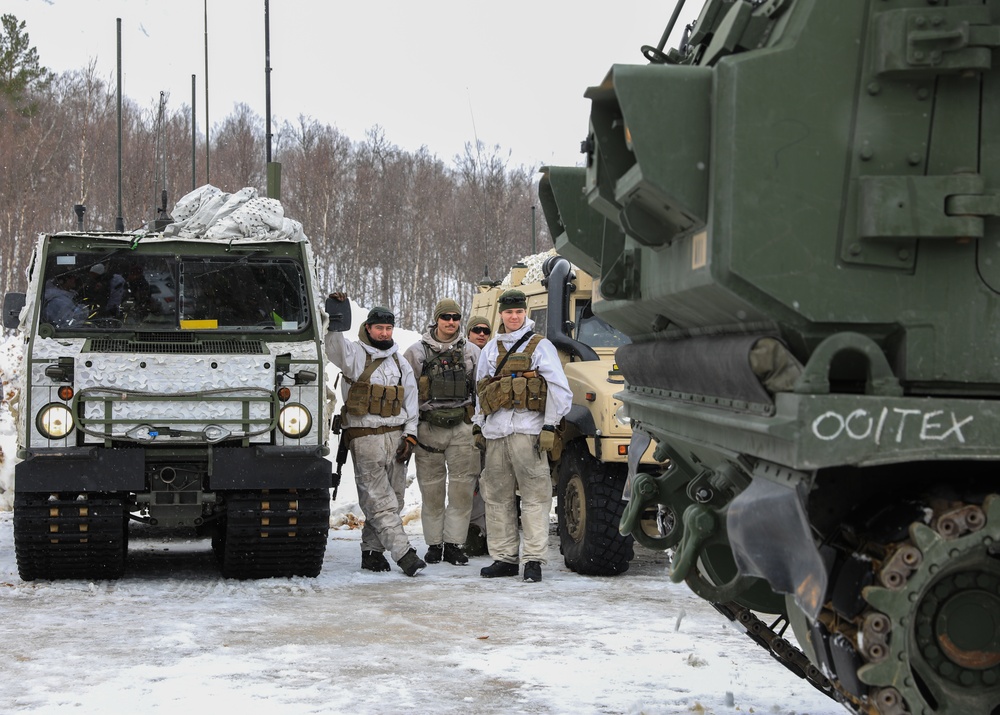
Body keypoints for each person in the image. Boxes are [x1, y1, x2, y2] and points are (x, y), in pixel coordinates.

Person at [473, 289, 572, 582]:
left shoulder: (541, 346)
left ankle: (533, 560)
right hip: (496, 434)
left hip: (528, 432)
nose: (513, 317)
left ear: (525, 312)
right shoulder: (491, 349)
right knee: (497, 498)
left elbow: (559, 390)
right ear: (501, 314)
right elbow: (481, 391)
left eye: (518, 312)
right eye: (508, 312)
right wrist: (479, 424)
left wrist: (550, 426)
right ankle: (504, 558)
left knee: (534, 498)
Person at [325, 294, 426, 577]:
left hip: (395, 437)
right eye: (379, 327)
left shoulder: (399, 361)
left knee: (395, 498)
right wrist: (336, 316)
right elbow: (332, 346)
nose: (384, 333)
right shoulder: (353, 353)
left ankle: (372, 552)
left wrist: (410, 437)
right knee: (379, 500)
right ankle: (405, 554)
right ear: (368, 328)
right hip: (364, 437)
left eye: (388, 328)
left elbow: (411, 404)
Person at [403, 299, 481, 566]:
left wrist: (478, 426)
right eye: (446, 317)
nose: (451, 321)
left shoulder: (471, 351)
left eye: (456, 317)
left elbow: (479, 390)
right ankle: (434, 544)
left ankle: (454, 544)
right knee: (432, 492)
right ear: (436, 319)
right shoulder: (416, 352)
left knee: (461, 491)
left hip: (461, 429)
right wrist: (410, 430)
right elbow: (408, 394)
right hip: (428, 430)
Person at [464, 315, 493, 556]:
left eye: (485, 330)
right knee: (471, 481)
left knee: (493, 481)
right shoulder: (461, 356)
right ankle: (472, 531)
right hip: (468, 429)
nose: (481, 334)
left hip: (495, 429)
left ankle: (489, 532)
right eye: (476, 330)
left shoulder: (496, 356)